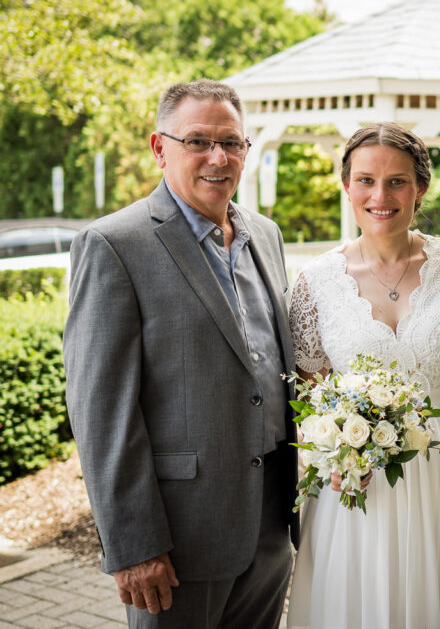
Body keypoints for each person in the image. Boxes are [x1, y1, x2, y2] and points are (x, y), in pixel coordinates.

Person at [63, 79, 298, 628]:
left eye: (232, 142)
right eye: (198, 141)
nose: (219, 157)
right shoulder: (113, 245)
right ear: (158, 147)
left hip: (268, 525)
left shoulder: (265, 235)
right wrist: (133, 544)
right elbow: (101, 412)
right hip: (176, 538)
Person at [286, 123, 440, 629]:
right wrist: (332, 451)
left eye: (397, 181)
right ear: (347, 186)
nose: (381, 196)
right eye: (365, 180)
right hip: (356, 477)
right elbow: (310, 390)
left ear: (420, 188)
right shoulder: (315, 282)